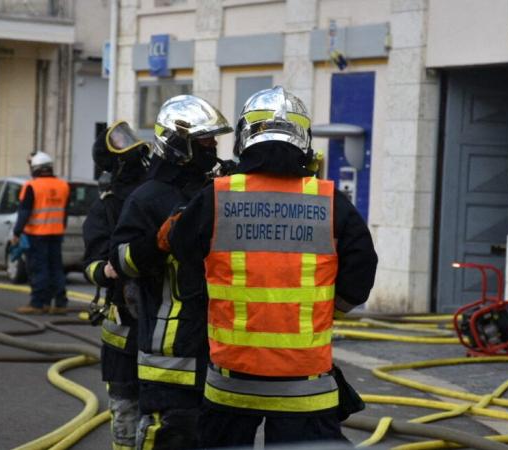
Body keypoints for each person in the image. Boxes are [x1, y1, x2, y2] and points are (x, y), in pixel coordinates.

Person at [165, 86, 378, 448]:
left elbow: (180, 247)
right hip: (306, 383)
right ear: (304, 140)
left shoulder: (217, 196)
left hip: (231, 383)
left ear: (245, 138)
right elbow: (363, 266)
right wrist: (331, 307)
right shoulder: (328, 200)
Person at [109, 95, 233, 449]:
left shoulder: (215, 191)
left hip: (216, 345)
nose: (213, 146)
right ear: (180, 145)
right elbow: (119, 260)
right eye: (205, 140)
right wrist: (159, 243)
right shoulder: (148, 197)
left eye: (214, 139)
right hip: (170, 351)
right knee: (168, 435)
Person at [82, 120, 151, 449]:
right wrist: (106, 270)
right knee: (126, 409)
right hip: (123, 332)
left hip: (160, 333)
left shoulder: (156, 197)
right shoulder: (106, 209)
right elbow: (92, 265)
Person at [14, 151, 70, 315]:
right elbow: (65, 212)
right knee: (56, 268)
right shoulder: (63, 185)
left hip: (36, 235)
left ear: (36, 169)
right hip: (56, 233)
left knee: (38, 269)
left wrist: (17, 232)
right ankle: (60, 303)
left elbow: (24, 212)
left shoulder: (32, 186)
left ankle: (38, 303)